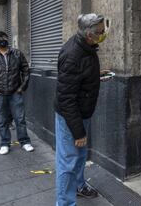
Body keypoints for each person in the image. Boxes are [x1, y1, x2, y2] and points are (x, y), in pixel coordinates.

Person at [55, 13, 111, 205]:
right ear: (90, 34)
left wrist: (96, 74)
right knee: (68, 162)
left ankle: (79, 186)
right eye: (101, 32)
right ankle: (64, 203)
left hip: (82, 113)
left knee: (79, 156)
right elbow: (66, 99)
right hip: (71, 117)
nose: (104, 34)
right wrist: (78, 132)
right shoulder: (72, 55)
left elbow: (80, 77)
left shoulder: (87, 47)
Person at [0, 31, 33, 155]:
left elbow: (25, 70)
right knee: (2, 120)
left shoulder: (17, 53)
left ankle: (25, 141)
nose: (1, 39)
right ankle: (4, 143)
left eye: (3, 37)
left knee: (20, 119)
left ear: (7, 39)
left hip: (15, 92)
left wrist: (22, 87)